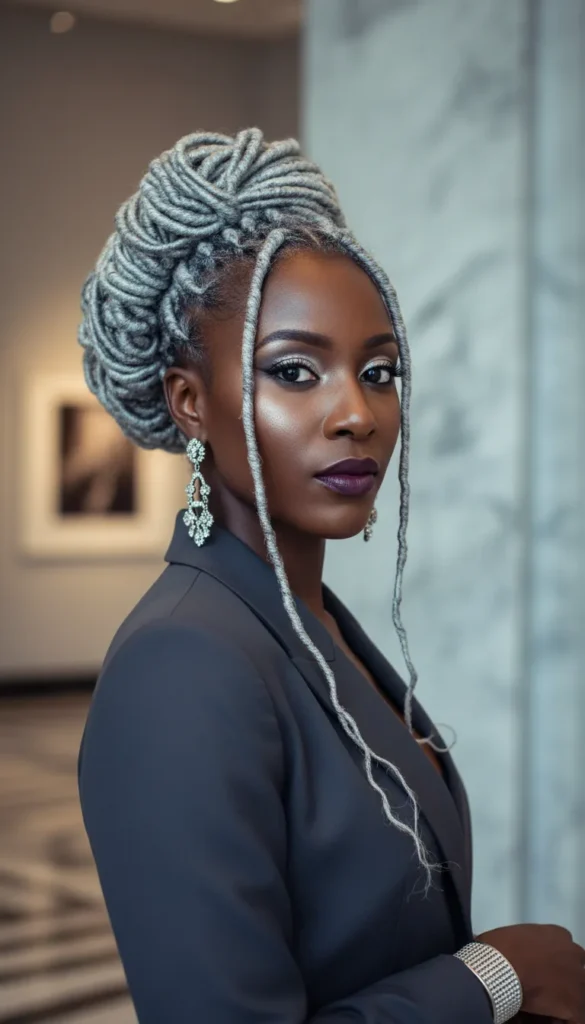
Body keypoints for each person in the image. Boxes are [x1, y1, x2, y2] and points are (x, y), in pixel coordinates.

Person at [77, 129, 585, 1024]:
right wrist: (497, 976)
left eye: (377, 370)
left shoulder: (310, 626)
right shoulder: (182, 667)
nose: (355, 413)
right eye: (294, 372)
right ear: (187, 400)